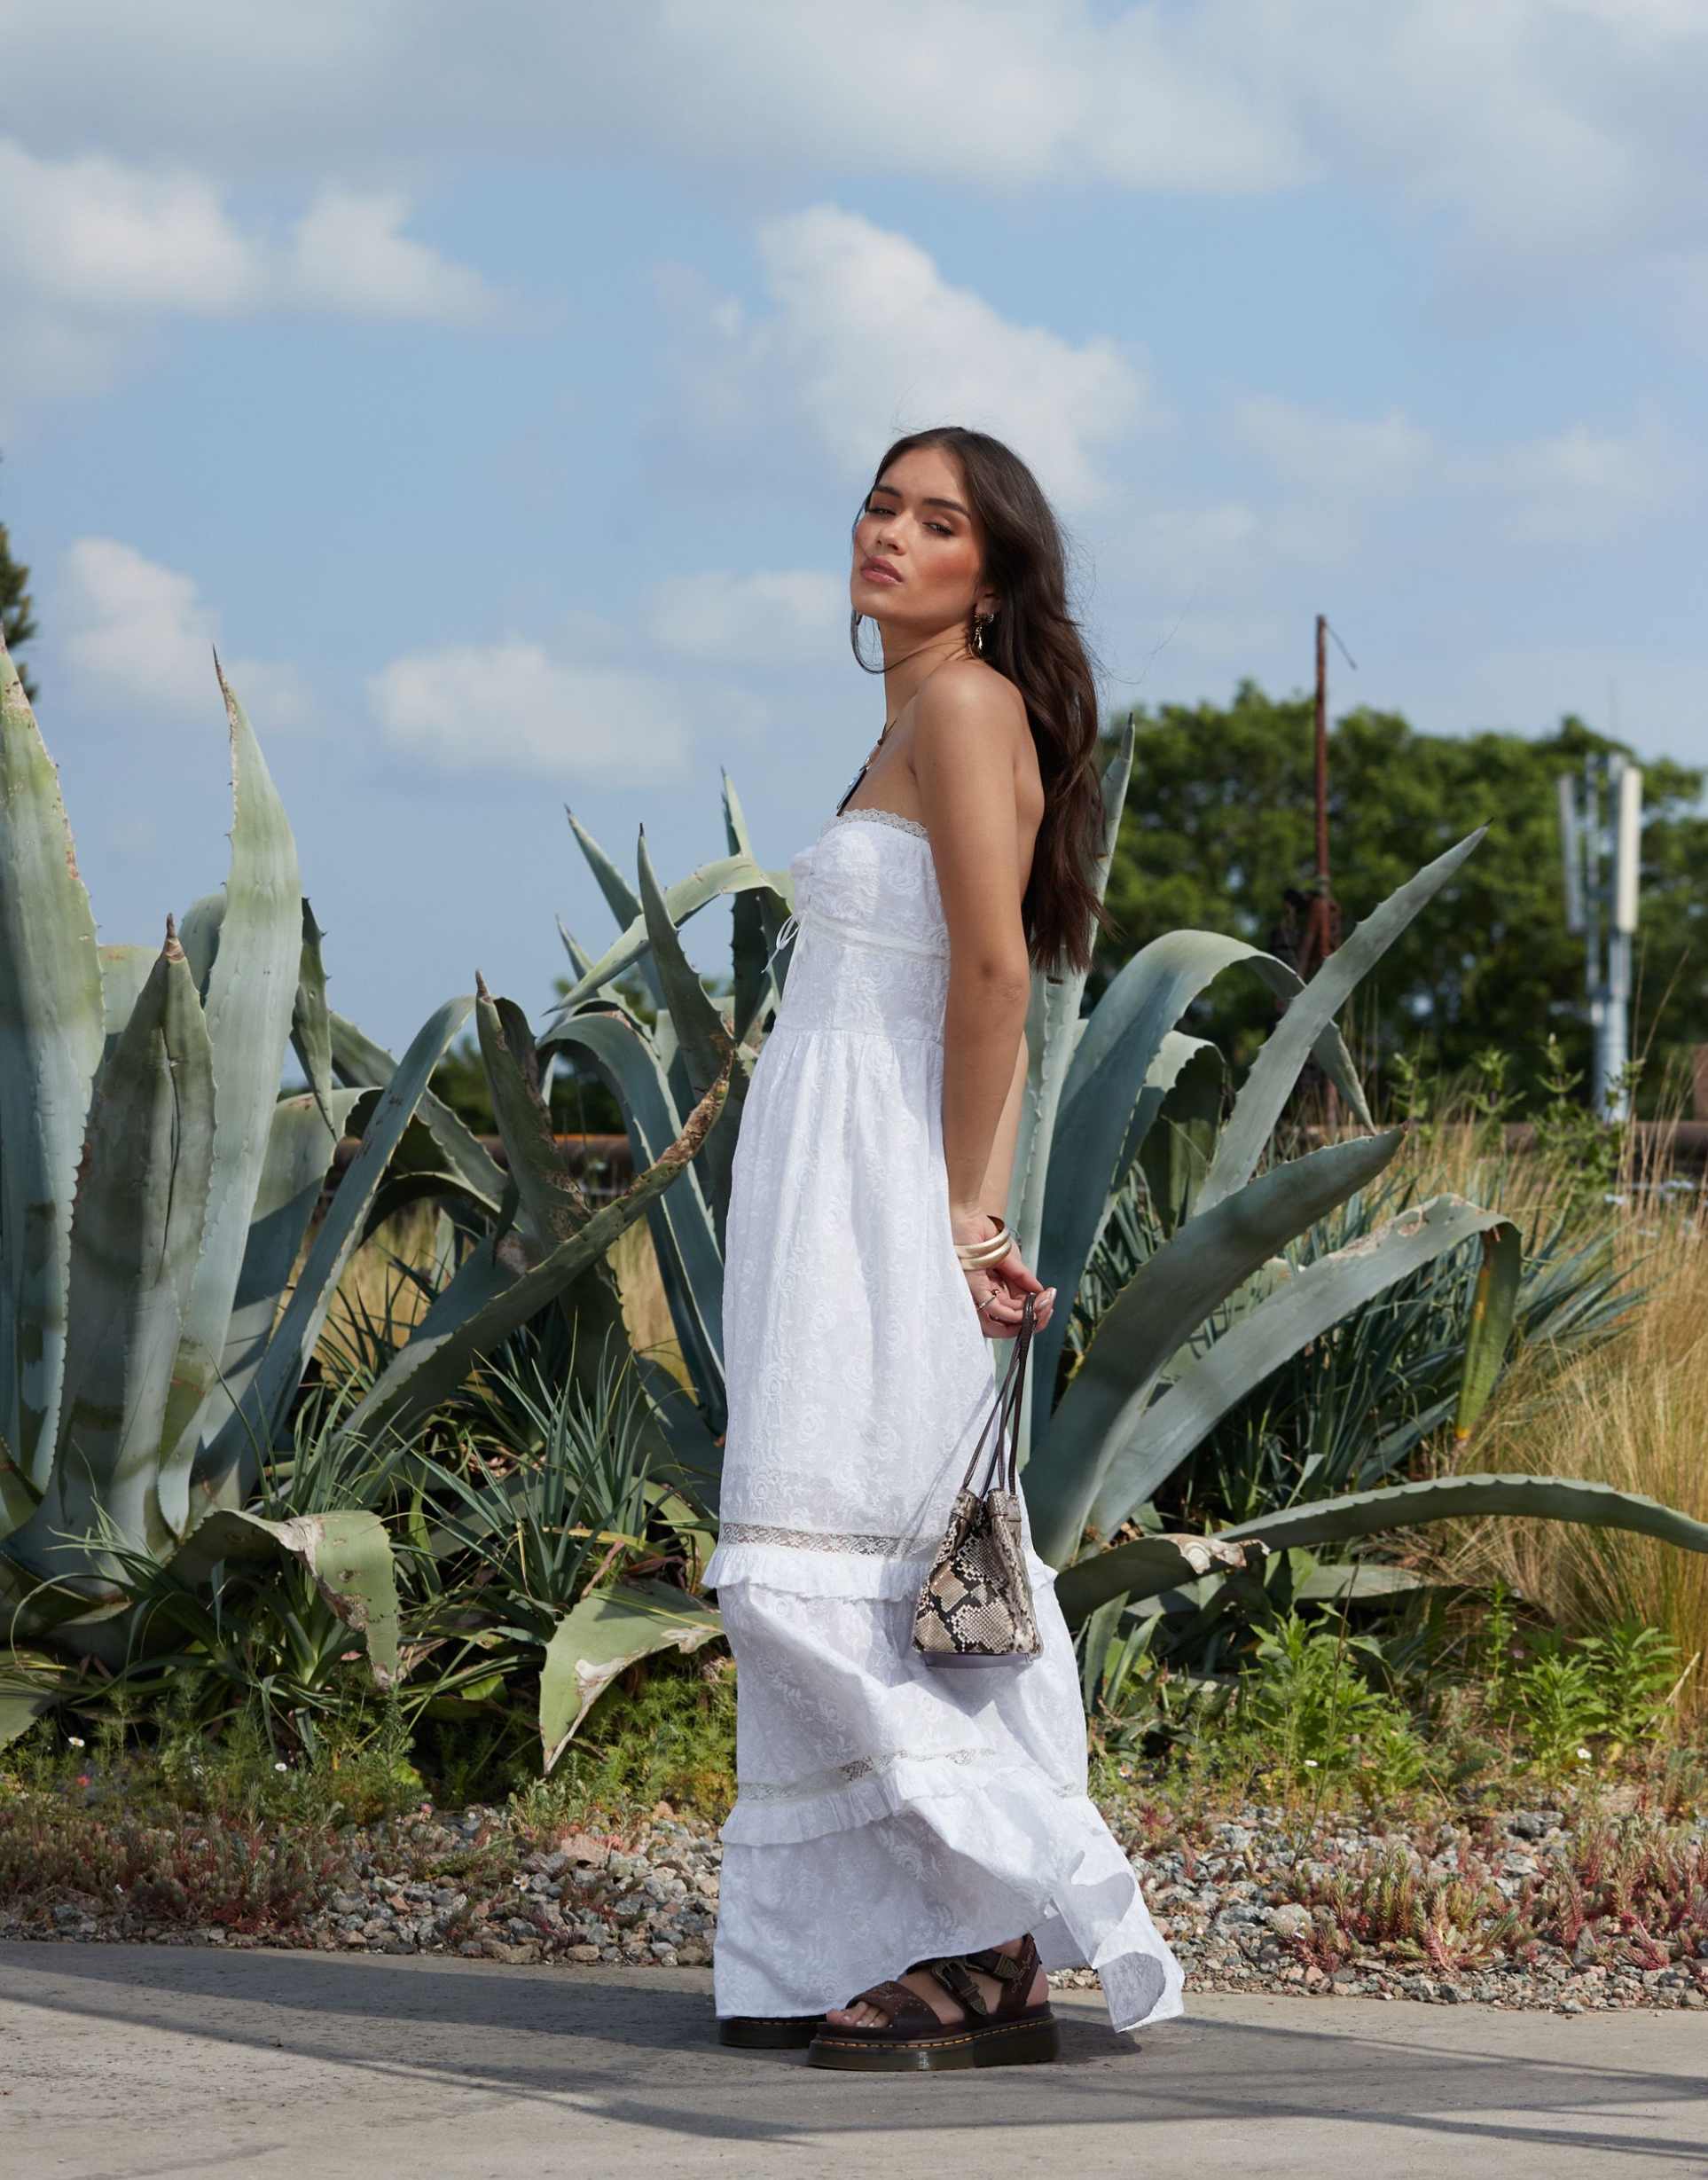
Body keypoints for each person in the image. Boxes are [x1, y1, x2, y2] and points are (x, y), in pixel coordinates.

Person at [702, 427, 1184, 2072]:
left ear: (995, 568)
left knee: (835, 1565)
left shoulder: (967, 708)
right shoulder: (911, 714)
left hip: (876, 1187)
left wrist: (963, 1214)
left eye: (937, 520)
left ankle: (983, 1936)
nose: (890, 536)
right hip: (828, 1175)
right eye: (879, 505)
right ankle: (885, 1931)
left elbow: (995, 978)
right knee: (834, 1552)